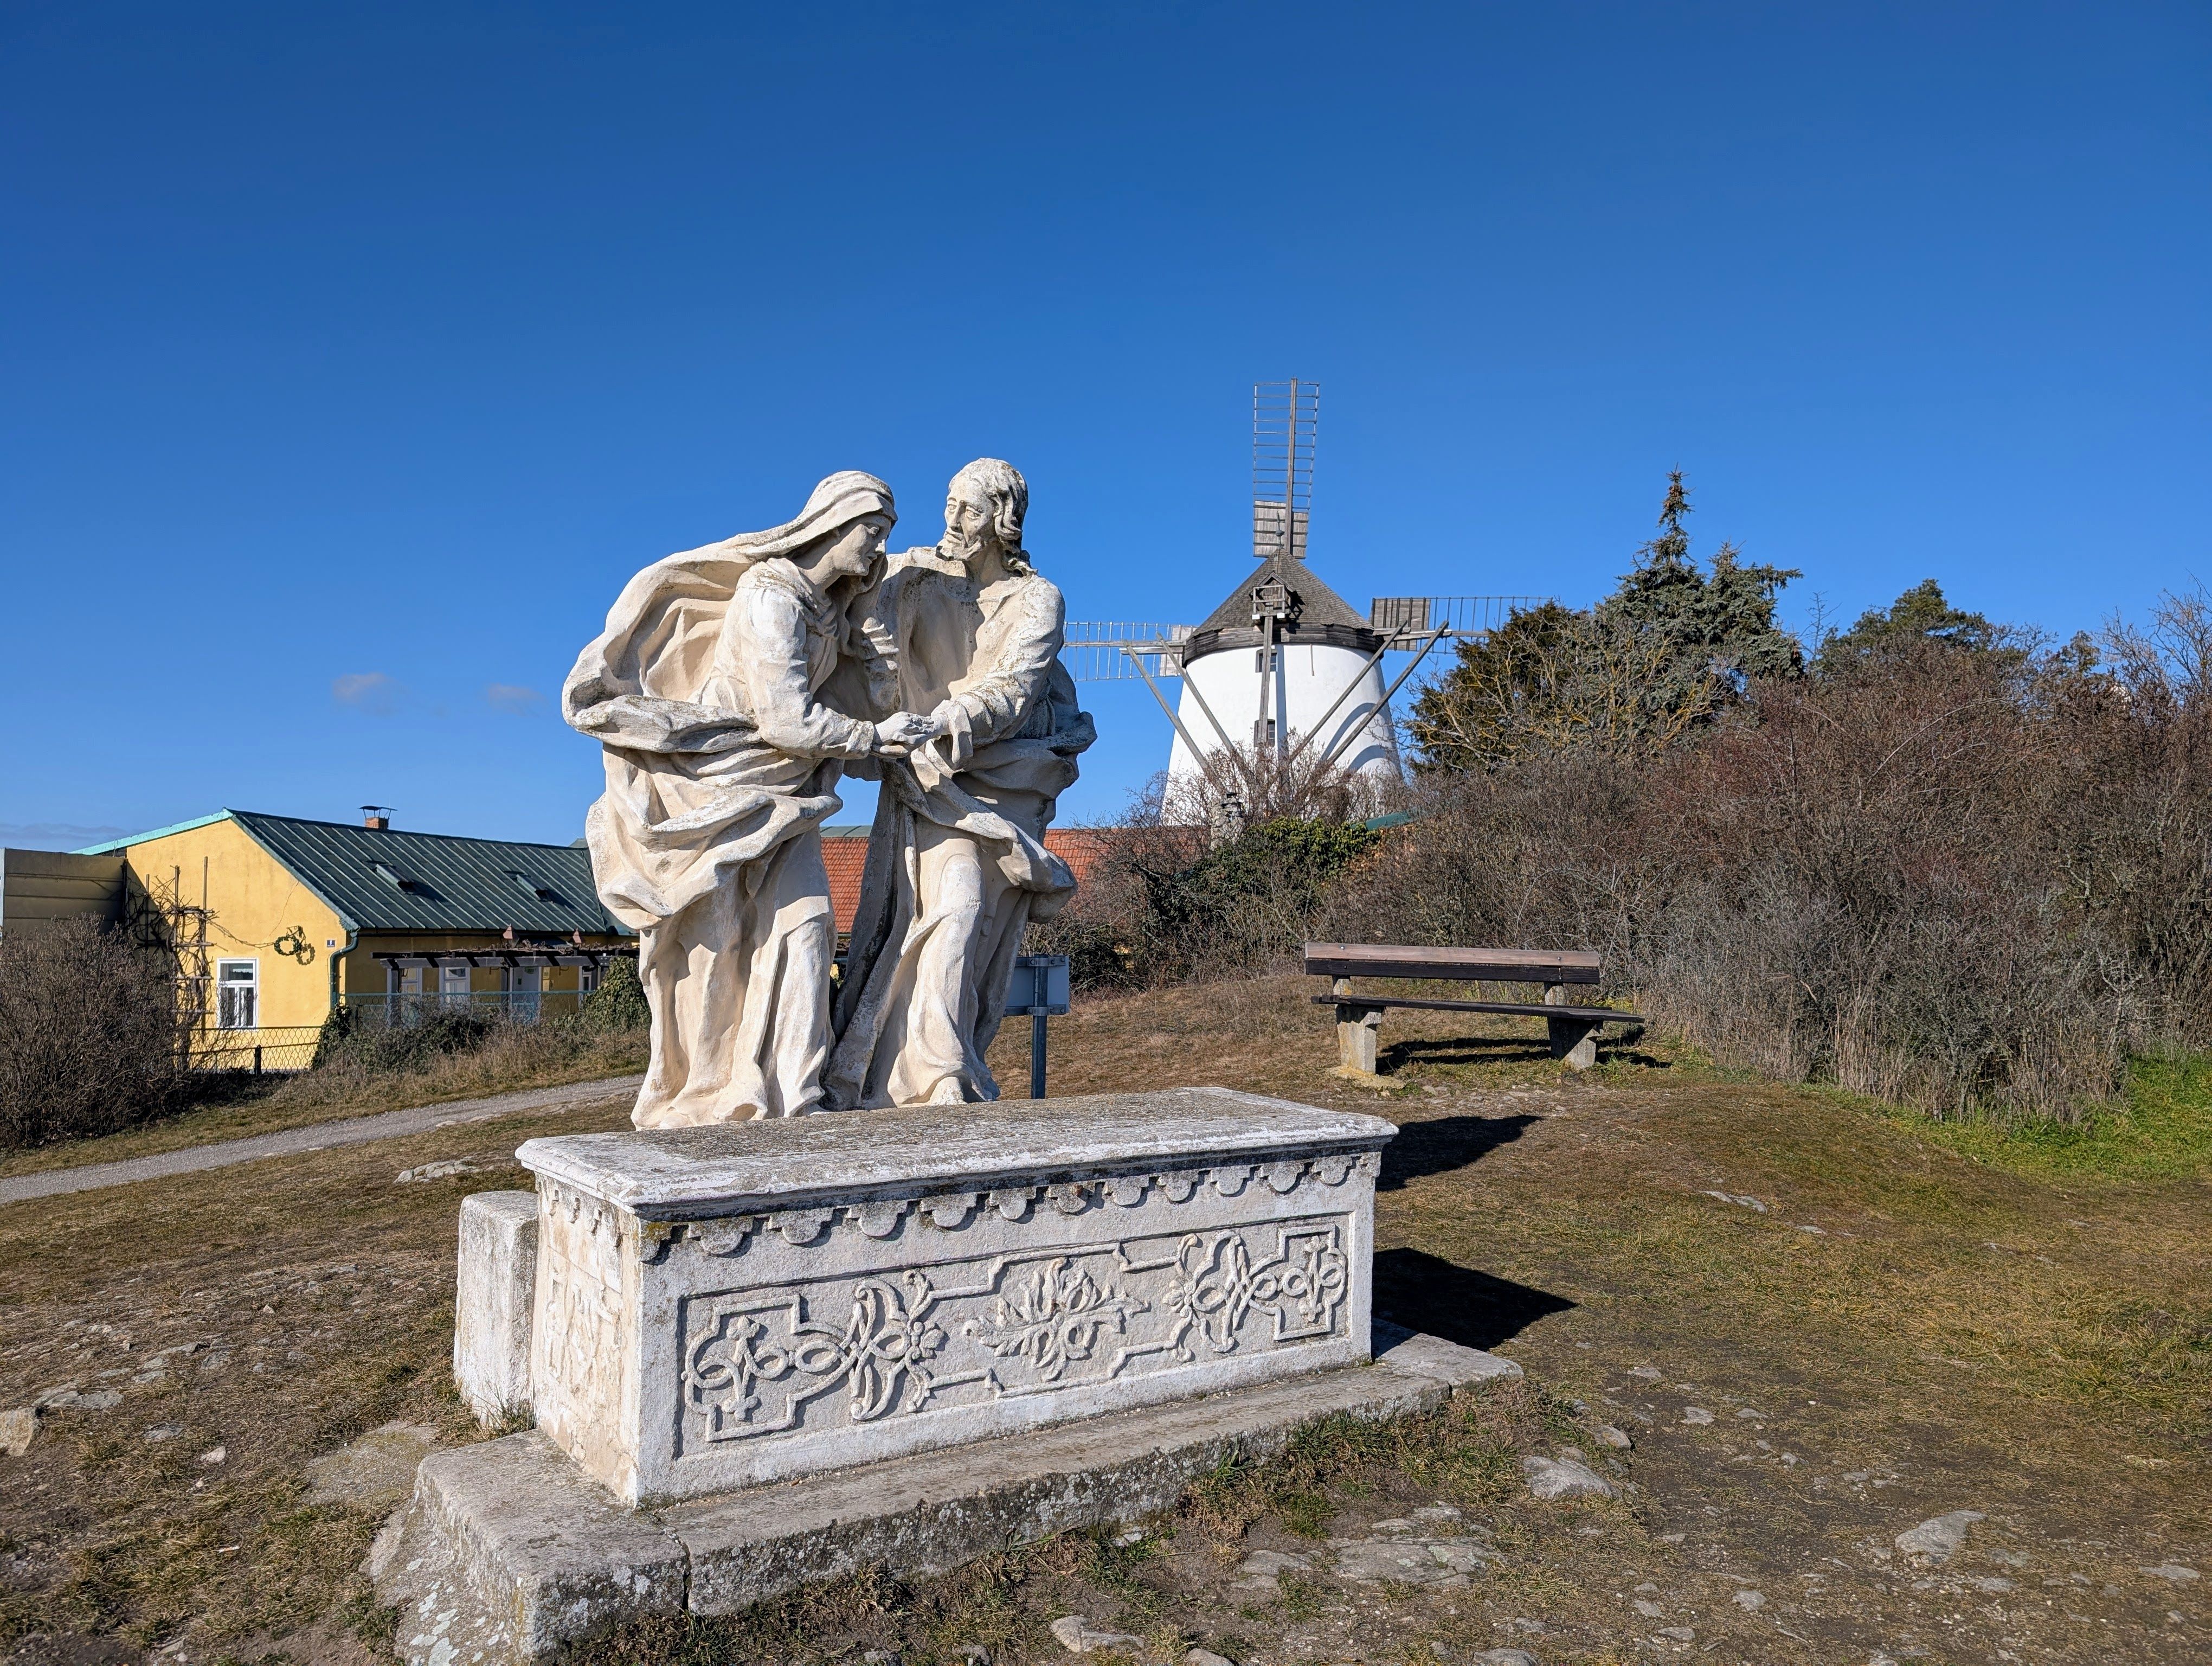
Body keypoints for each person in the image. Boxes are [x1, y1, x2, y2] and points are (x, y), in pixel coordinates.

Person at [563, 472, 930, 1125]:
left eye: (885, 538)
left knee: (810, 927)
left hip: (789, 794)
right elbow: (787, 720)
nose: (878, 550)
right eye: (872, 534)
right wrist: (874, 736)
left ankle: (792, 1095)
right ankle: (704, 1093)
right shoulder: (772, 598)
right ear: (833, 525)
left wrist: (875, 654)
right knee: (717, 941)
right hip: (721, 786)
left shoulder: (832, 610)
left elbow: (863, 706)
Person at [826, 458, 1094, 1107]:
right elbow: (850, 616)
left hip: (1003, 782)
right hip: (930, 780)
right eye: (948, 503)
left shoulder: (1037, 599)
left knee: (978, 936)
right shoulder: (917, 578)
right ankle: (935, 1075)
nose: (952, 519)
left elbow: (1015, 686)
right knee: (953, 905)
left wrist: (951, 718)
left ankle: (943, 1062)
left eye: (969, 509)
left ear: (1002, 522)